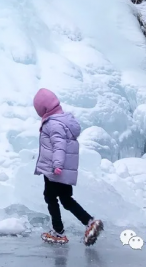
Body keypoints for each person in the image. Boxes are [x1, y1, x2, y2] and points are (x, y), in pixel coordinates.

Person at [33, 88, 104, 246]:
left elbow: (59, 146)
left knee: (50, 197)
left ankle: (58, 232)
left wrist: (57, 165)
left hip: (55, 171)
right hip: (63, 171)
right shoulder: (63, 120)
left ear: (43, 109)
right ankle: (90, 222)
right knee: (65, 199)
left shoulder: (53, 124)